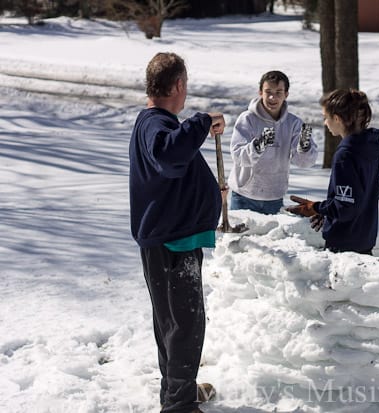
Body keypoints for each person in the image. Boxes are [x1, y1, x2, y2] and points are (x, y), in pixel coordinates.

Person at [129, 52, 225, 413]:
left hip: (171, 238)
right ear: (179, 85)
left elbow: (171, 173)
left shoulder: (158, 124)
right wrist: (200, 122)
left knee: (174, 324)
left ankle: (178, 393)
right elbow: (169, 158)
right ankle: (179, 406)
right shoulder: (156, 125)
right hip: (171, 244)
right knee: (184, 325)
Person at [286, 89, 379, 255]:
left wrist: (314, 207)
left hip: (344, 245)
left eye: (326, 117)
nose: (325, 123)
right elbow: (373, 192)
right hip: (365, 239)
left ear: (337, 118)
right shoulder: (368, 147)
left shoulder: (345, 154)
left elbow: (345, 206)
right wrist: (327, 211)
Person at [228, 70, 318, 214]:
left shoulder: (293, 123)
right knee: (240, 237)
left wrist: (304, 148)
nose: (272, 97)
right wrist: (258, 146)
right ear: (260, 92)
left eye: (278, 92)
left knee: (272, 237)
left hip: (274, 198)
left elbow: (304, 162)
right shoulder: (247, 119)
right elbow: (238, 156)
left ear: (286, 94)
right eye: (268, 91)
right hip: (244, 197)